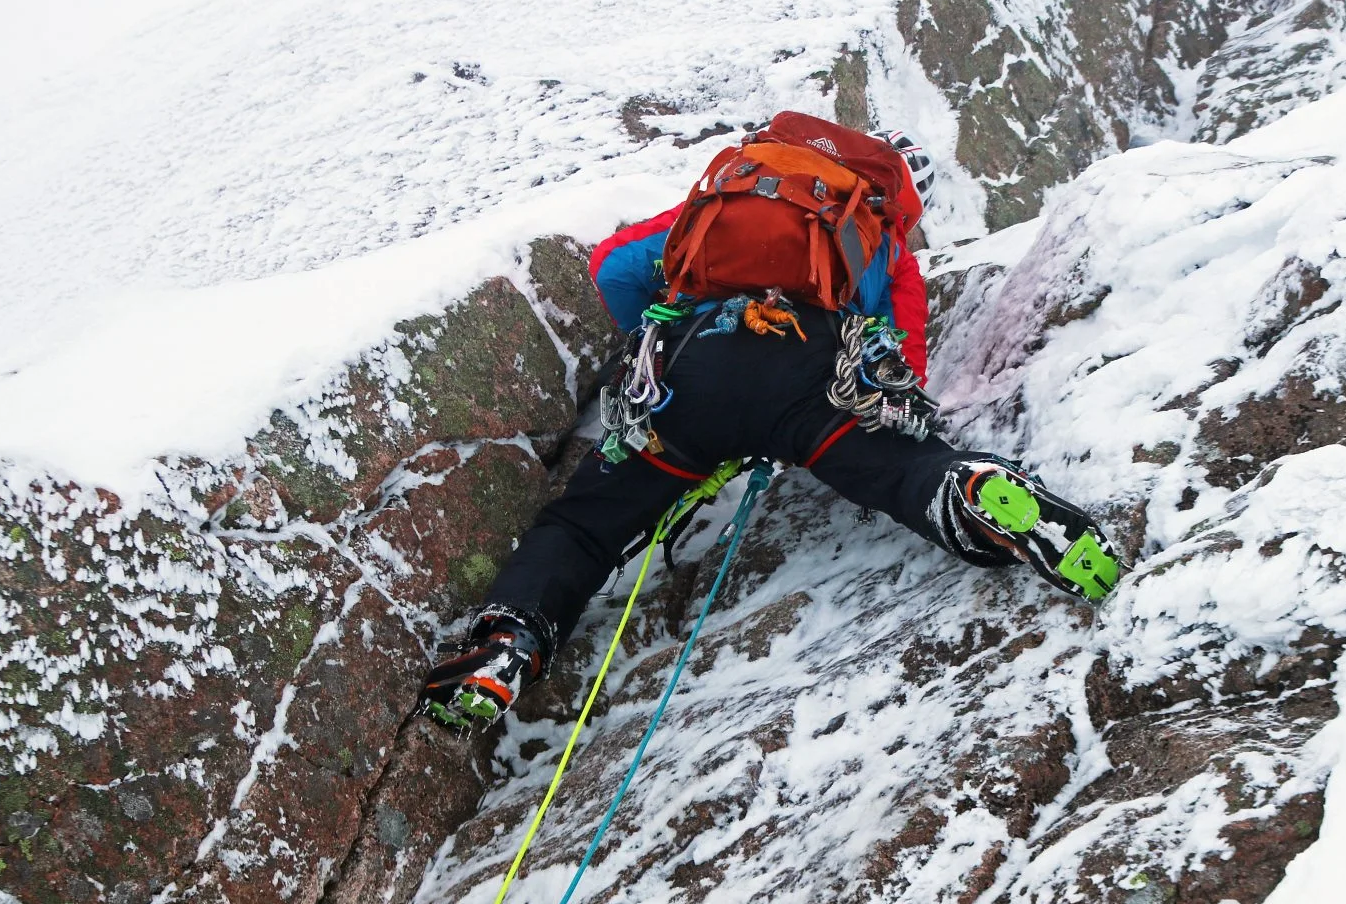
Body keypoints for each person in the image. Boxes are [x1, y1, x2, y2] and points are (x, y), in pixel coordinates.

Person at [417, 115, 1120, 732]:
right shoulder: (884, 246)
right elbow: (900, 371)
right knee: (906, 469)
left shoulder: (745, 197)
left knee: (583, 524)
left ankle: (510, 643)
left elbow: (613, 269)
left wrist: (658, 354)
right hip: (809, 385)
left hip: (689, 378)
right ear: (899, 201)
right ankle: (968, 493)